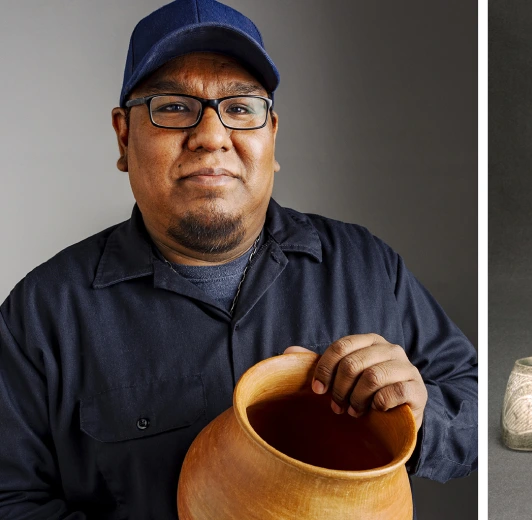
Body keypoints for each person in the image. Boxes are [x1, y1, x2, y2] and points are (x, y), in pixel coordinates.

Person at [0, 0, 477, 518]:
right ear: (123, 135)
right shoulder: (42, 315)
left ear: (272, 136)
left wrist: (419, 416)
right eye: (174, 106)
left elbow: (473, 404)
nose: (210, 136)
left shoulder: (366, 267)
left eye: (241, 107)